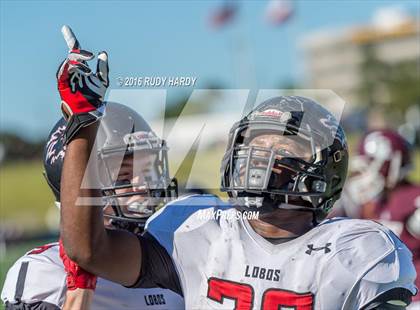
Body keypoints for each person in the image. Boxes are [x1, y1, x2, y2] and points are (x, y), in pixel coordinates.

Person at [58, 25, 417, 309]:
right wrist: (84, 124)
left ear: (322, 169)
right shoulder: (196, 230)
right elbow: (89, 250)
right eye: (254, 144)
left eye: (281, 145)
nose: (261, 155)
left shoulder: (359, 250)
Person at [1, 102, 183, 309]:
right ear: (72, 184)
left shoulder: (175, 255)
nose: (143, 185)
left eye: (148, 172)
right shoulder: (46, 271)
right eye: (124, 175)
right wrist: (80, 289)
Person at [341, 129, 420, 309]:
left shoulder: (413, 199)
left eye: (367, 168)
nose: (362, 177)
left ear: (391, 165)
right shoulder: (367, 203)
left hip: (413, 298)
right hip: (373, 296)